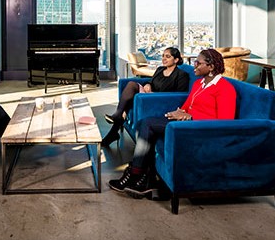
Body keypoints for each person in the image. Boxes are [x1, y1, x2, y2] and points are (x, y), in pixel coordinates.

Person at [109, 48, 237, 198]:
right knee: (143, 124)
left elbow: (226, 122)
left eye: (198, 63)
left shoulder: (225, 89)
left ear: (211, 67)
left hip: (198, 129)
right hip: (185, 123)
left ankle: (135, 174)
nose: (194, 65)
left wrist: (190, 117)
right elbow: (188, 105)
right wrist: (179, 112)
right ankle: (145, 178)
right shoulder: (199, 84)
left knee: (148, 125)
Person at [102, 47, 190, 146]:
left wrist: (155, 95)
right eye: (163, 56)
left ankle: (115, 128)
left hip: (159, 100)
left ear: (176, 60)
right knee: (131, 85)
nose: (164, 59)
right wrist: (148, 85)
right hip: (148, 97)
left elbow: (178, 95)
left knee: (129, 102)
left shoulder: (182, 75)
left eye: (168, 57)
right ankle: (118, 116)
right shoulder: (160, 69)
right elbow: (151, 81)